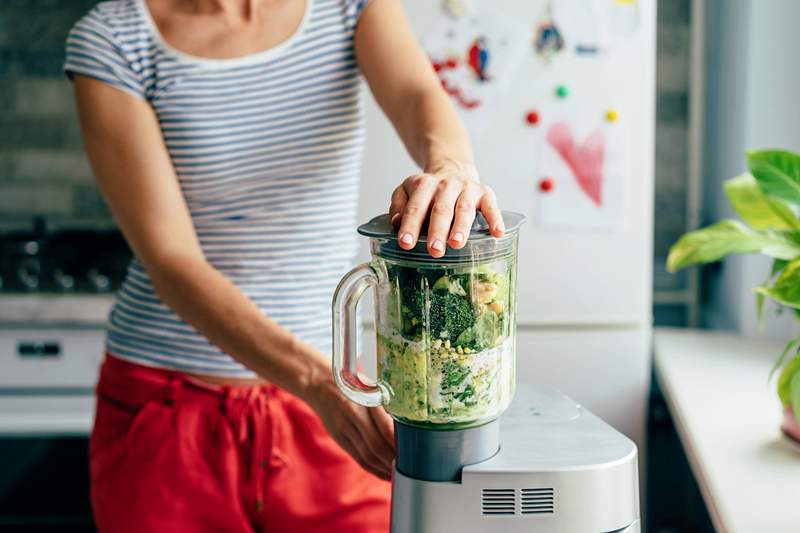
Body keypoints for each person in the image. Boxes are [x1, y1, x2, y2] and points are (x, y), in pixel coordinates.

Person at [65, 0, 504, 531]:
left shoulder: (347, 7)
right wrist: (317, 381)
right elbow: (171, 260)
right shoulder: (113, 40)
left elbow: (417, 97)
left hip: (326, 408)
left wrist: (451, 167)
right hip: (171, 412)